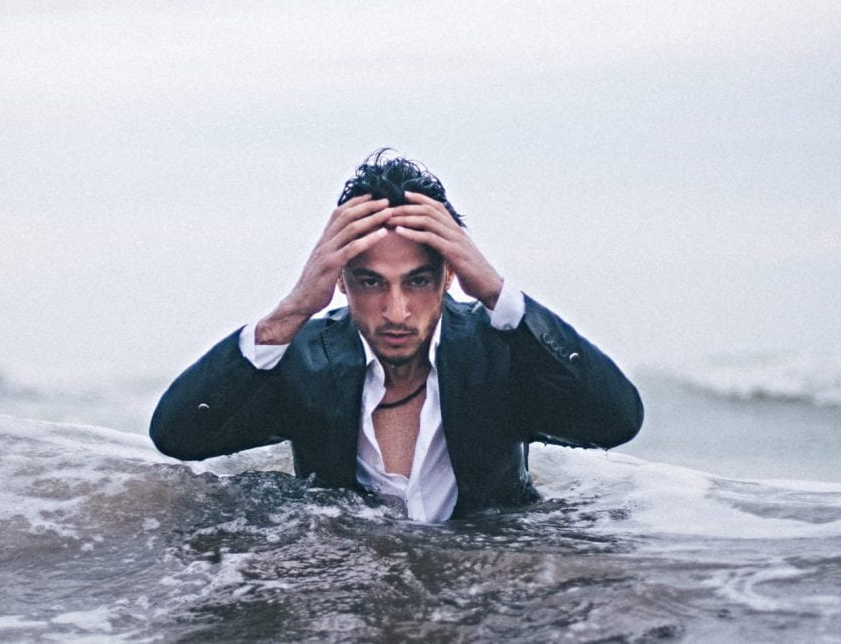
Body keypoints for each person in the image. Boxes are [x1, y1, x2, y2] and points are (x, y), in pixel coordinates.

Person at [150, 149, 643, 522]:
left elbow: (615, 420)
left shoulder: (501, 351)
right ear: (340, 279)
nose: (396, 311)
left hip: (487, 594)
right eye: (371, 282)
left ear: (449, 275)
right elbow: (179, 437)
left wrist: (495, 291)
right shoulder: (304, 359)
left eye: (417, 280)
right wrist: (292, 310)